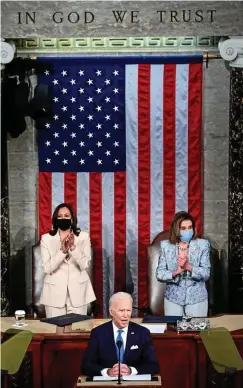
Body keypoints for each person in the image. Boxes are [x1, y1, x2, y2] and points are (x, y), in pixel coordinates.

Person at [82, 292, 160, 377]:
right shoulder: (98, 333)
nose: (126, 315)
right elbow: (87, 366)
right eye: (122, 310)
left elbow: (153, 365)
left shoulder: (142, 333)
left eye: (128, 310)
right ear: (111, 312)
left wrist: (131, 371)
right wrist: (107, 372)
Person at [40, 203, 96, 318]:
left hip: (78, 293)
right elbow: (47, 268)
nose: (63, 218)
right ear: (56, 219)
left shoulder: (83, 237)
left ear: (72, 218)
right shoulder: (46, 238)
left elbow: (84, 264)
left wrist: (73, 248)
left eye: (66, 215)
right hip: (54, 295)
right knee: (55, 332)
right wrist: (62, 251)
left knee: (77, 331)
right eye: (60, 216)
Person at [156, 211, 211, 317]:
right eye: (183, 228)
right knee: (173, 332)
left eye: (190, 227)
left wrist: (188, 267)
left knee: (196, 332)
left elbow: (206, 273)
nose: (187, 231)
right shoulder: (166, 246)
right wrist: (176, 272)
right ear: (176, 230)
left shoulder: (203, 245)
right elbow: (159, 274)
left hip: (197, 299)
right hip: (173, 299)